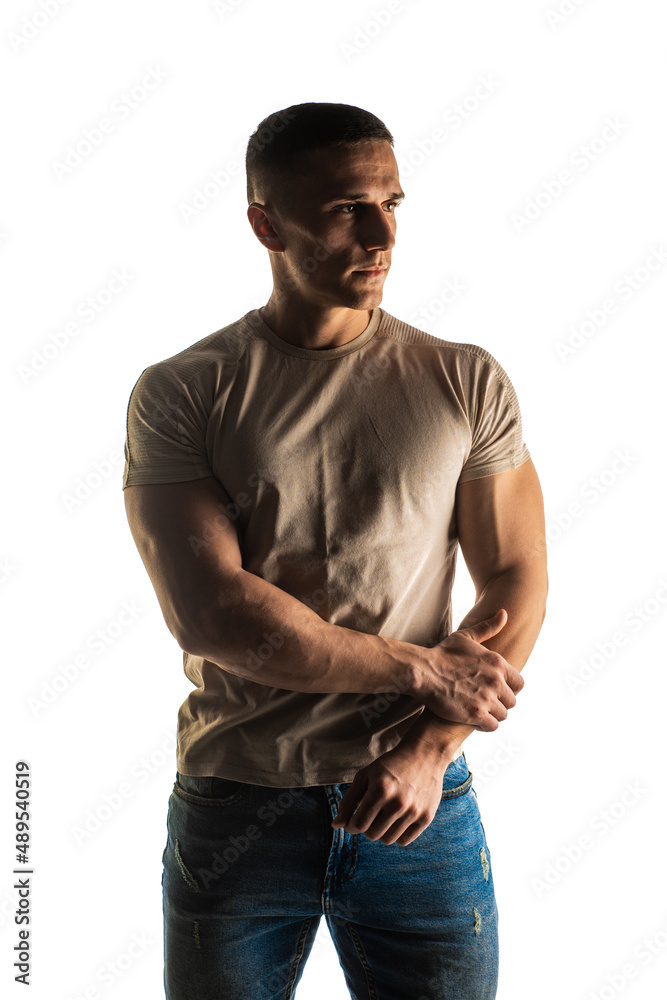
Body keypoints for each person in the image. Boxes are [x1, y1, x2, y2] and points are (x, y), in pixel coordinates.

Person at [122, 101, 548, 1000]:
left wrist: (430, 749)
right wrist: (423, 671)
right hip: (238, 800)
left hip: (420, 804)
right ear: (265, 223)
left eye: (393, 202)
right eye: (348, 207)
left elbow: (514, 576)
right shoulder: (182, 394)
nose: (383, 232)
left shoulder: (462, 379)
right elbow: (218, 614)